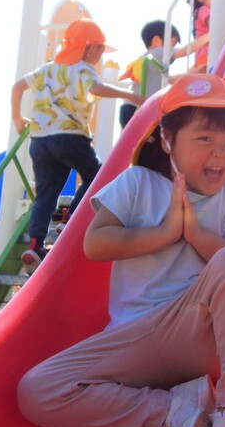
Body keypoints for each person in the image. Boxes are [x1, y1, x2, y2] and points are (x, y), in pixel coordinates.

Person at [17, 73, 225, 427]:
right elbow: (96, 243)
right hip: (135, 338)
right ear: (168, 140)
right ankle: (174, 413)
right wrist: (166, 231)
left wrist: (196, 235)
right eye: (205, 138)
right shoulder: (137, 183)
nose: (221, 154)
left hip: (198, 328)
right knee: (37, 391)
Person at [11, 18, 145, 267]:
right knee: (97, 176)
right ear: (87, 48)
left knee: (46, 194)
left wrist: (18, 119)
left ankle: (35, 244)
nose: (101, 55)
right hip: (70, 137)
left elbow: (17, 87)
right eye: (100, 49)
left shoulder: (46, 69)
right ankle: (69, 219)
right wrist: (133, 96)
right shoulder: (82, 68)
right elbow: (96, 88)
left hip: (40, 141)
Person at [119, 20, 209, 128]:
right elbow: (185, 51)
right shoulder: (157, 52)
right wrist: (210, 35)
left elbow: (170, 79)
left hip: (130, 108)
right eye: (173, 44)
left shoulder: (153, 62)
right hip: (136, 108)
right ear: (156, 41)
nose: (173, 48)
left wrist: (193, 73)